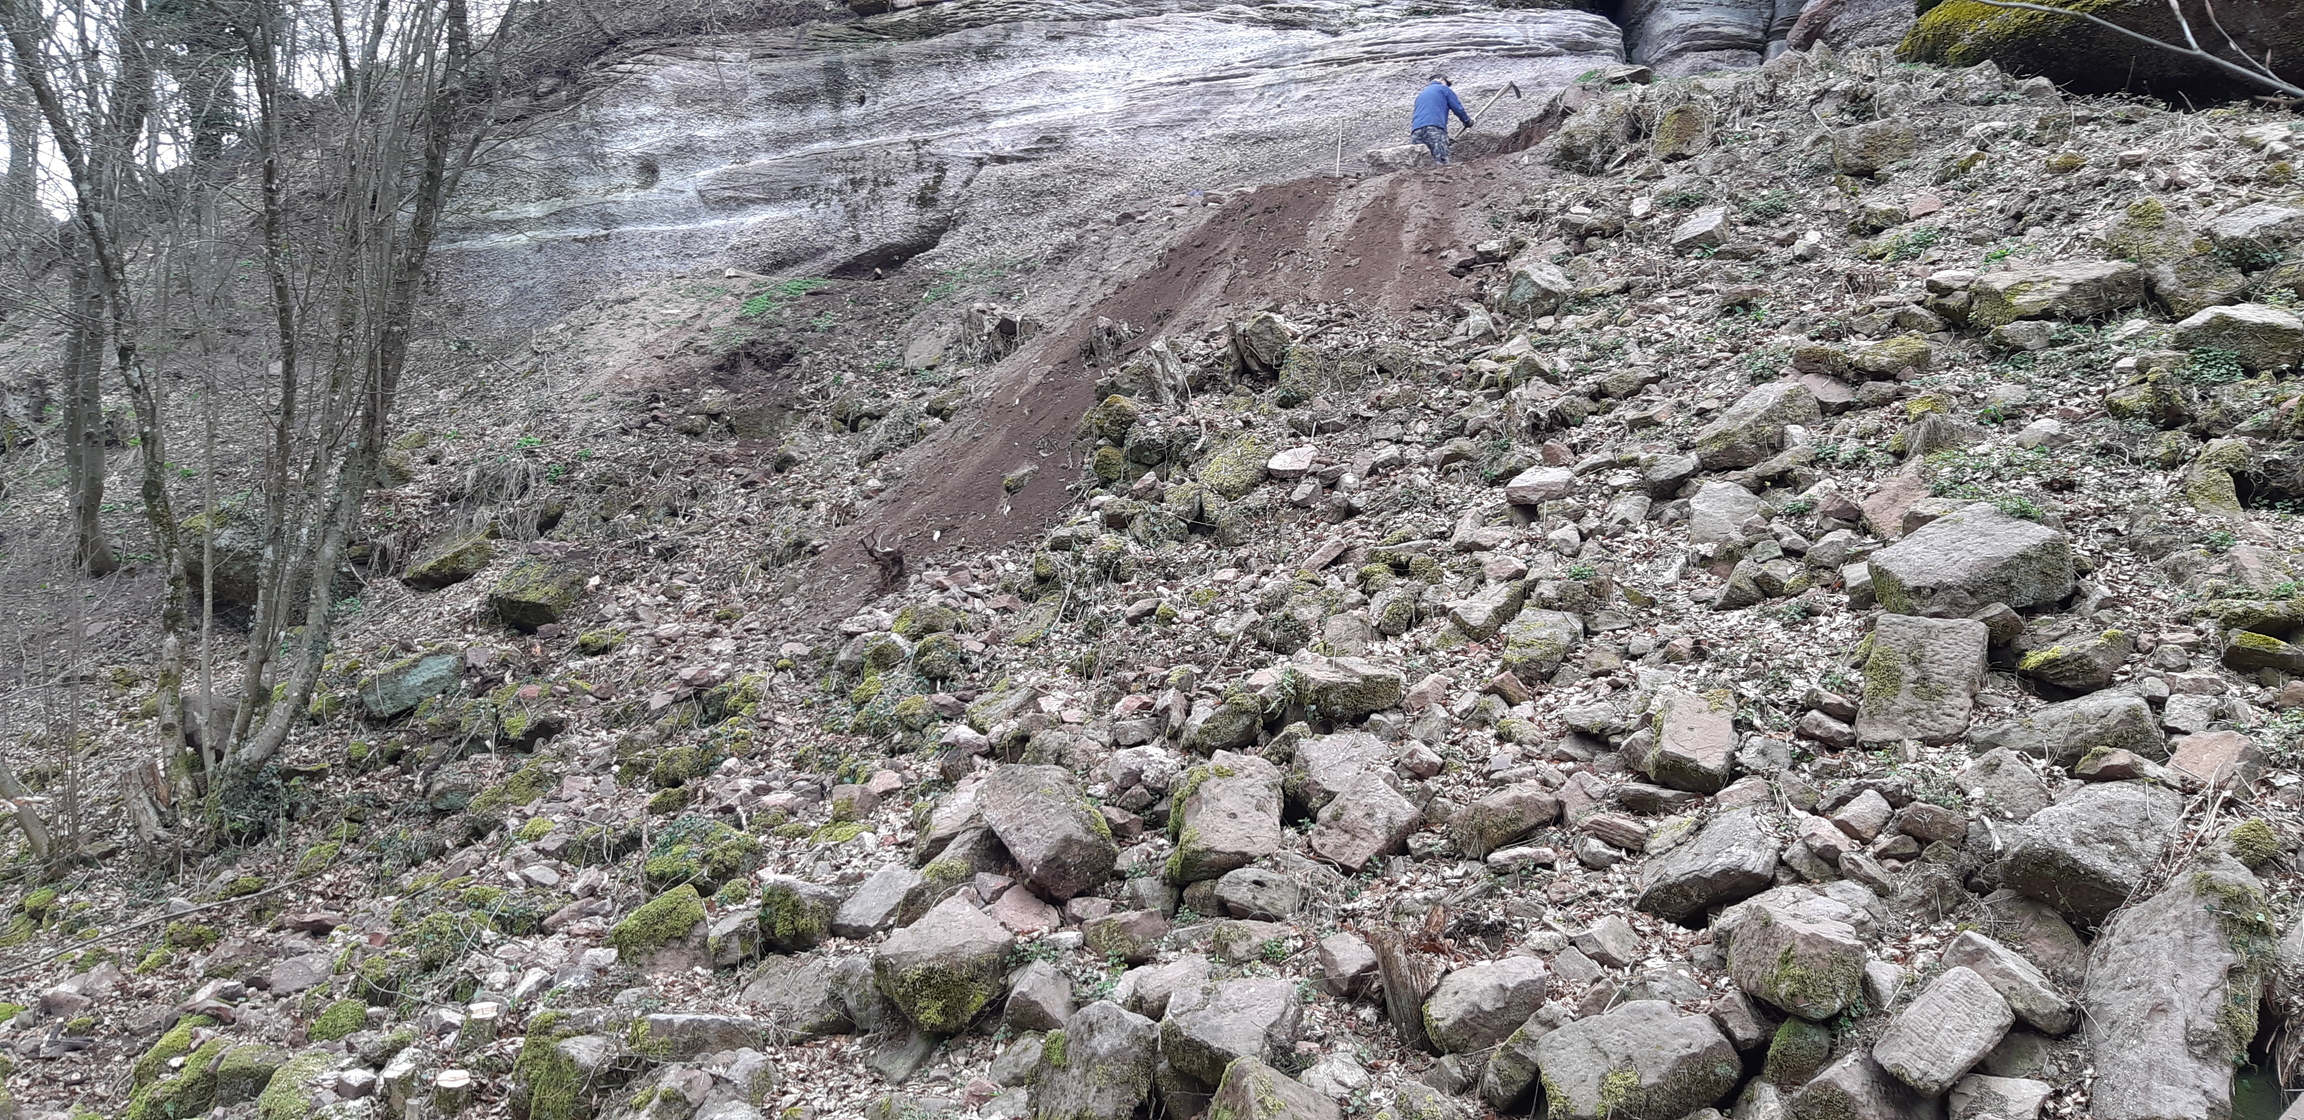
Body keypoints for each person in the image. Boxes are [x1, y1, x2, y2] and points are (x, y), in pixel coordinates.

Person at [1411, 75, 1473, 165]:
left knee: (1421, 165)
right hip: (1434, 128)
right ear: (1441, 79)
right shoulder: (1444, 89)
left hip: (1416, 131)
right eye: (1446, 83)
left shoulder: (1421, 94)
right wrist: (1467, 121)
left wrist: (1445, 138)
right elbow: (1457, 108)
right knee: (1442, 163)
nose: (1447, 86)